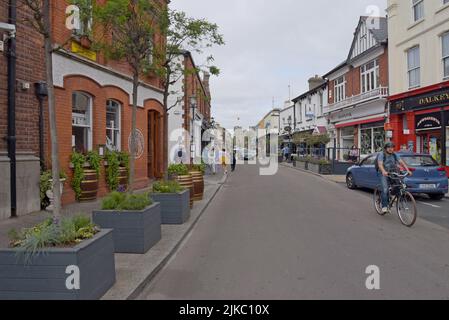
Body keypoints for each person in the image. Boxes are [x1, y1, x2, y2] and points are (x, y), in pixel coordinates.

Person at [377, 142, 413, 214]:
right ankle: (384, 206)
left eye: (392, 147)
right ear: (386, 148)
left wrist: (407, 170)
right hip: (384, 173)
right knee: (385, 189)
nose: (391, 149)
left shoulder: (394, 154)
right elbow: (380, 164)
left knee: (399, 185)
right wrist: (384, 171)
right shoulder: (382, 154)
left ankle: (392, 196)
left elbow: (401, 162)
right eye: (389, 147)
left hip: (393, 172)